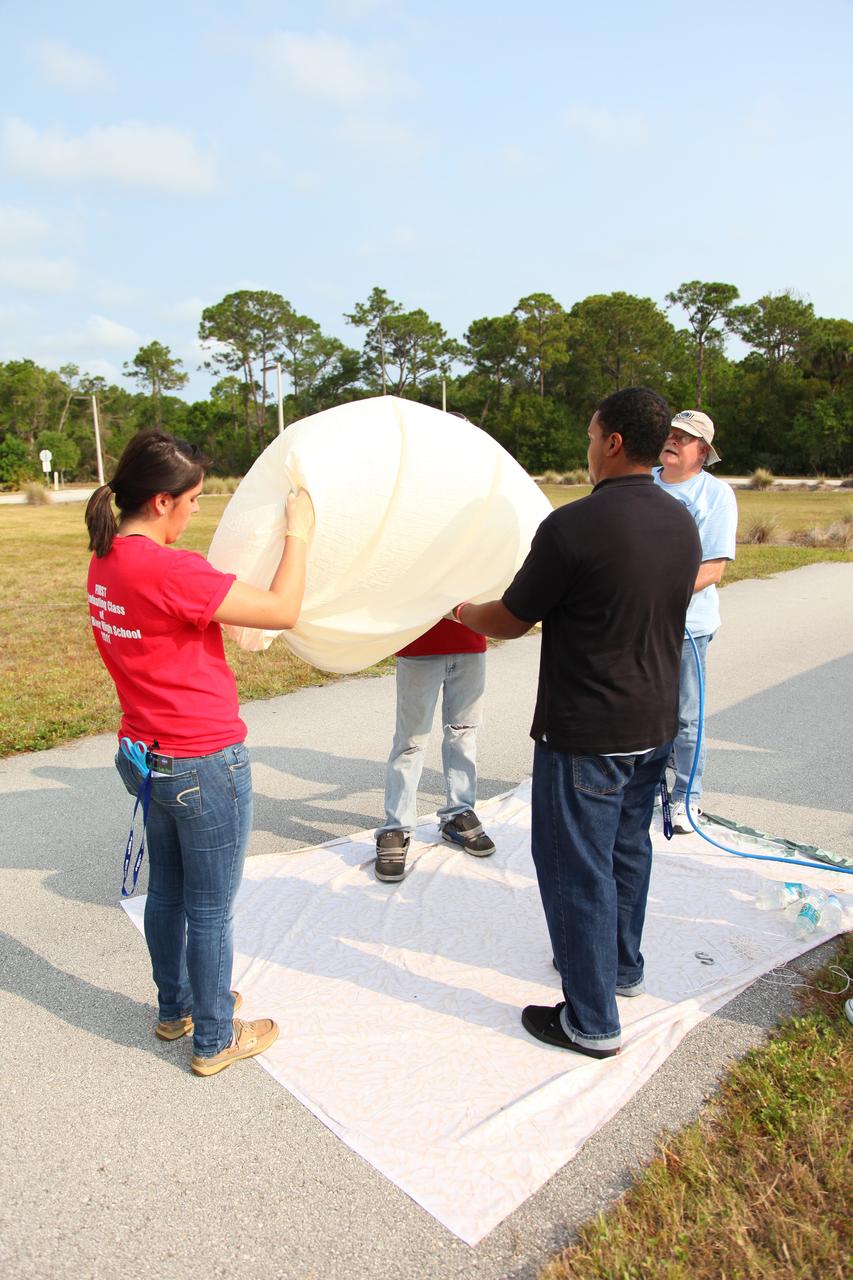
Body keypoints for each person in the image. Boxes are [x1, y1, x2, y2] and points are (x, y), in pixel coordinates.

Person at [450, 388, 701, 1058]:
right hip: (652, 721)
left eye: (592, 435)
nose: (587, 448)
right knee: (625, 851)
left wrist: (462, 611)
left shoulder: (572, 527)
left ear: (612, 441)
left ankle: (589, 1020)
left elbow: (508, 618)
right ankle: (620, 967)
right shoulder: (679, 520)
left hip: (587, 731)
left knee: (573, 869)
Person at [85, 430, 314, 1077]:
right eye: (190, 501)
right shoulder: (169, 569)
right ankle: (214, 1037)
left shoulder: (105, 560)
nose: (194, 513)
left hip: (149, 756)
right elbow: (282, 610)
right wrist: (298, 533)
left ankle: (176, 1007)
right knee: (210, 908)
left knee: (169, 895)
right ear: (161, 502)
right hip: (204, 758)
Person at [653, 410, 738, 832]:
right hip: (639, 624)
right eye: (670, 434)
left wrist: (659, 595)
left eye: (683, 438)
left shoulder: (715, 495)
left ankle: (688, 798)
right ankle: (649, 791)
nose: (671, 441)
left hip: (688, 625)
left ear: (702, 452)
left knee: (686, 716)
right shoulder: (642, 482)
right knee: (646, 711)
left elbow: (714, 568)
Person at [374, 618, 495, 883]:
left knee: (463, 734)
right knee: (410, 742)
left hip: (470, 642)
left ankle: (458, 814)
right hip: (419, 647)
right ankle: (397, 826)